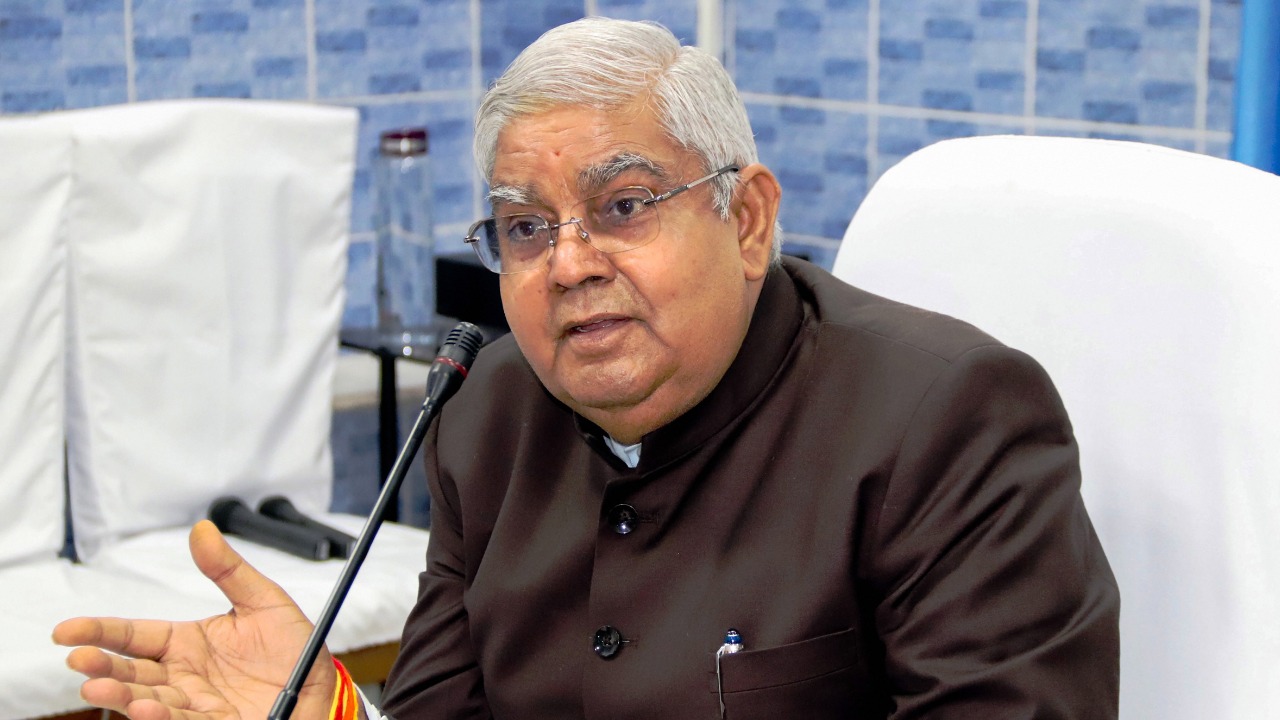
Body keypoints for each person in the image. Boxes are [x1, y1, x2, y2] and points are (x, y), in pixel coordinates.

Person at [54, 16, 1119, 719]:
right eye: (525, 227)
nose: (569, 264)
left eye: (623, 205)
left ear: (747, 221)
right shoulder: (484, 412)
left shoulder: (950, 421)